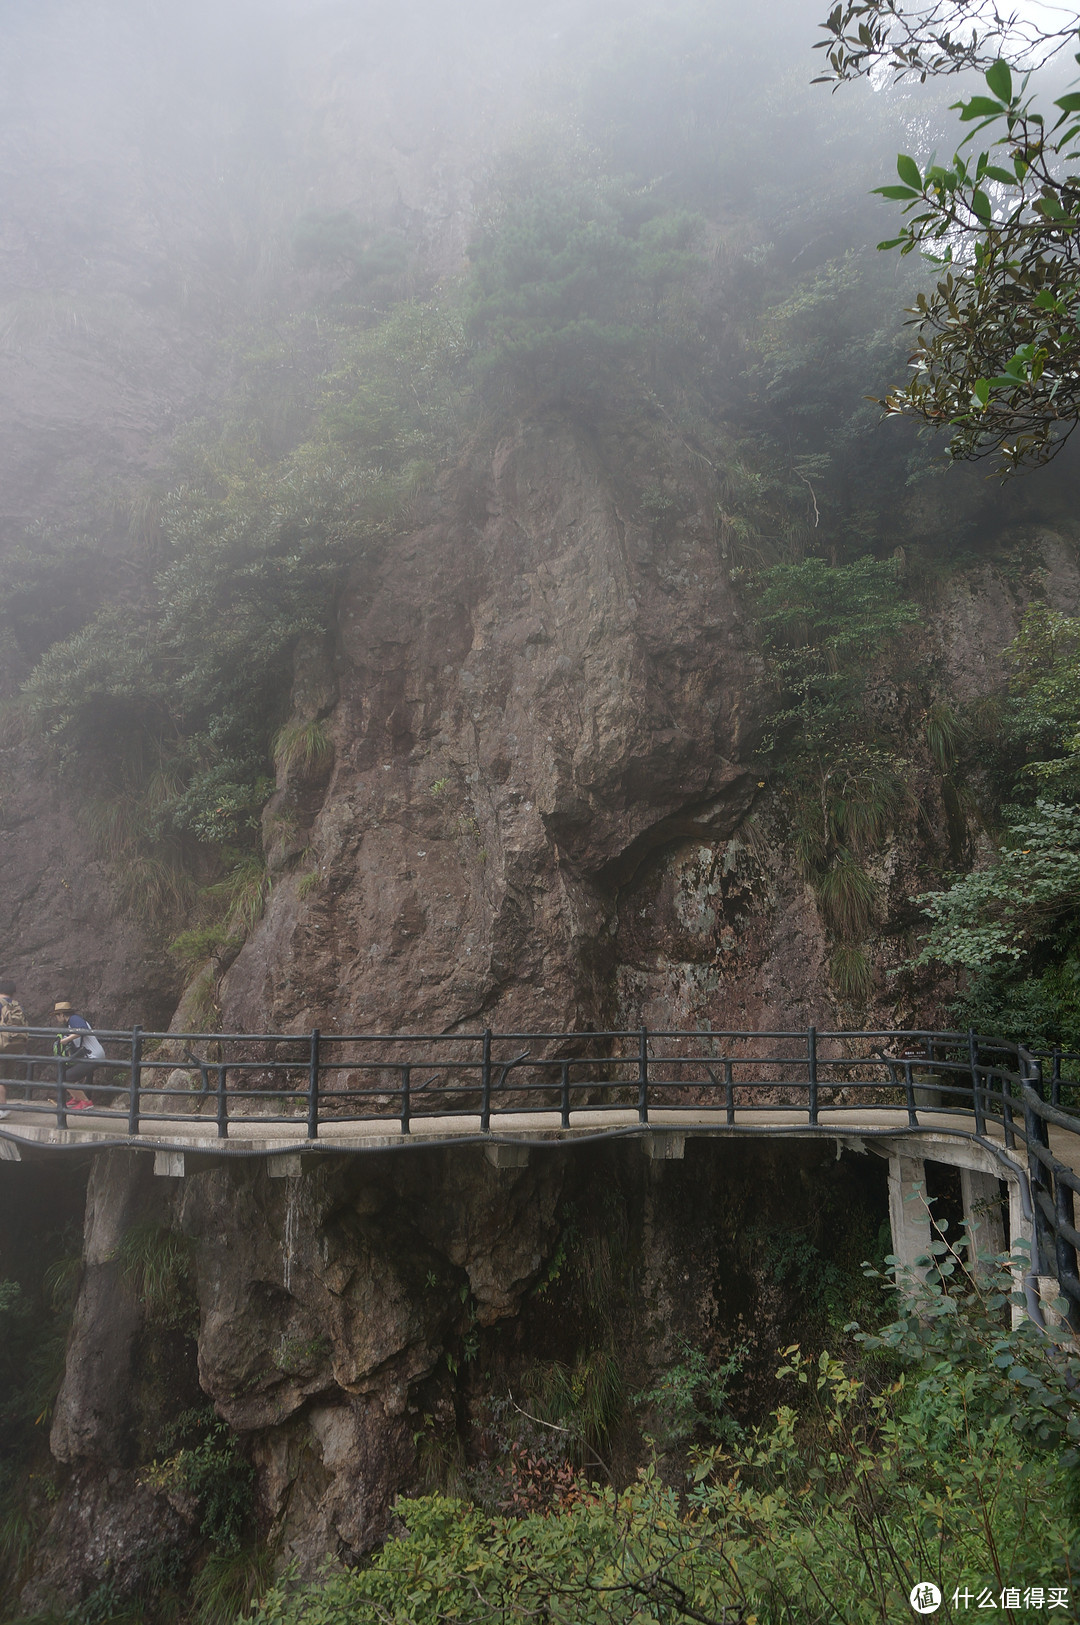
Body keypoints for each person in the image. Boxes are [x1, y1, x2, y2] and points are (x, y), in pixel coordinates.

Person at [53, 1002, 102, 1110]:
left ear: (62, 1014)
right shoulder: (70, 1023)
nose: (56, 1018)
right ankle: (76, 1097)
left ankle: (85, 1102)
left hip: (92, 1056)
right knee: (64, 1074)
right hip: (88, 1055)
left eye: (57, 1015)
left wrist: (66, 1039)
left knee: (66, 1077)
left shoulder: (74, 1019)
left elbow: (82, 1029)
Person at [0, 979, 27, 1118]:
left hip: (1, 1044)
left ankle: (2, 1108)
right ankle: (3, 1106)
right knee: (5, 1077)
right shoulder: (17, 1006)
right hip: (14, 1046)